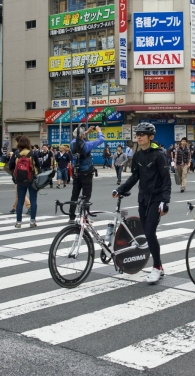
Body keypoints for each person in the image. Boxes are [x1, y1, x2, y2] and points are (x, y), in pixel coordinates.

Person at [113, 122, 171, 284]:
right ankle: (159, 266)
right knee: (147, 232)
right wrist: (121, 189)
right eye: (137, 134)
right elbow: (134, 177)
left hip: (157, 198)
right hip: (143, 198)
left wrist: (165, 201)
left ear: (150, 137)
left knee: (150, 232)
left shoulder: (159, 155)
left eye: (142, 134)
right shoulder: (138, 155)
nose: (138, 137)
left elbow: (166, 180)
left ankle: (157, 267)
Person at [68, 125, 104, 222]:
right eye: (83, 134)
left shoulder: (72, 143)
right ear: (82, 136)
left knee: (74, 195)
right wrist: (99, 131)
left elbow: (79, 137)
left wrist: (87, 131)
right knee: (86, 196)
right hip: (86, 173)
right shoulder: (86, 146)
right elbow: (100, 140)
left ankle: (71, 217)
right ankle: (84, 217)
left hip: (76, 173)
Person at [9, 135, 41, 228]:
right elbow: (38, 166)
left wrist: (15, 175)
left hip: (20, 180)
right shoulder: (33, 153)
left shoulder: (16, 154)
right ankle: (32, 221)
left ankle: (18, 222)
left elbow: (11, 167)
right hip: (31, 179)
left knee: (20, 201)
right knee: (33, 200)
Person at [8, 135, 31, 215]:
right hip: (28, 175)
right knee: (18, 193)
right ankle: (14, 207)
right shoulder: (30, 152)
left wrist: (11, 157)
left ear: (18, 142)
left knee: (20, 193)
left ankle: (29, 207)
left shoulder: (17, 153)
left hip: (19, 175)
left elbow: (11, 165)